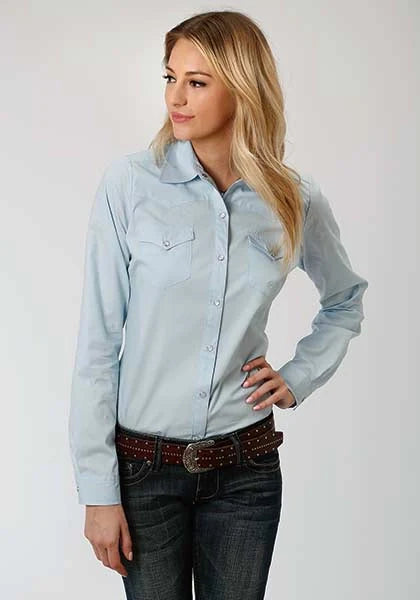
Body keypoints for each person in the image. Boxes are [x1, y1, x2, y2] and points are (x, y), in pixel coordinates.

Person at [68, 9, 368, 600]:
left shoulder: (293, 199)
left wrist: (298, 377)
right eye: (170, 77)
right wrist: (97, 490)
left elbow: (345, 299)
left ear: (242, 88)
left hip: (245, 471)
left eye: (197, 82)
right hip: (144, 472)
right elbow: (98, 345)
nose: (175, 98)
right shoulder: (130, 185)